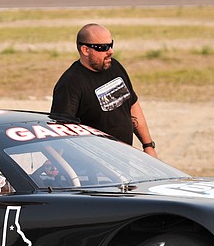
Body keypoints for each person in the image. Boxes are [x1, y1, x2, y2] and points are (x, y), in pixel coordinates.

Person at [51, 23, 158, 157]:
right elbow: (60, 134)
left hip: (124, 157)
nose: (111, 51)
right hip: (93, 167)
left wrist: (148, 145)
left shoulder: (115, 67)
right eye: (103, 47)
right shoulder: (70, 85)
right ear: (85, 50)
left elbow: (132, 105)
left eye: (111, 44)